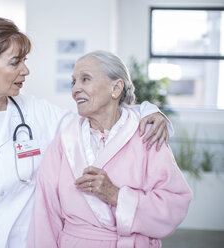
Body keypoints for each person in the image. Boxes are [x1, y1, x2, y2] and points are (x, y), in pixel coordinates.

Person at [0, 18, 172, 248]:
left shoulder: (39, 114)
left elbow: (100, 115)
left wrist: (147, 110)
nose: (26, 70)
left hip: (19, 239)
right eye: (15, 63)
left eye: (25, 61)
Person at [27, 50, 192, 248]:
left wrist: (116, 195)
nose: (75, 89)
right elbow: (45, 214)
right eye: (74, 82)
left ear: (116, 87)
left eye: (85, 79)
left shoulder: (147, 136)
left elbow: (174, 205)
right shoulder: (64, 142)